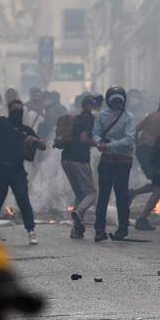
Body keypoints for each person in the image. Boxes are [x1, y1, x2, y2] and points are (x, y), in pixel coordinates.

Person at [0, 98, 44, 245]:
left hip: (17, 171)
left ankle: (31, 231)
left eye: (20, 110)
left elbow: (43, 145)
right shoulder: (2, 123)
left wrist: (35, 141)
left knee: (23, 199)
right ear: (10, 110)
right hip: (0, 170)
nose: (18, 112)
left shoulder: (27, 130)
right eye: (15, 110)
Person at [92, 86, 136, 242]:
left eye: (119, 100)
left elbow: (129, 139)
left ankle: (122, 229)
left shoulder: (129, 117)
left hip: (122, 161)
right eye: (114, 100)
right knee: (103, 195)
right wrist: (99, 143)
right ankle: (99, 229)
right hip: (107, 161)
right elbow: (96, 134)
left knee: (121, 196)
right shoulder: (102, 116)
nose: (117, 103)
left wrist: (109, 146)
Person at [132, 90, 160, 231]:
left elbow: (134, 130)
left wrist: (138, 144)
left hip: (141, 150)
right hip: (153, 152)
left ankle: (133, 194)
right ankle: (142, 218)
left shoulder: (151, 115)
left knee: (158, 183)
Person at [60, 93, 101, 239]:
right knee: (91, 193)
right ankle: (80, 212)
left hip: (66, 158)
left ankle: (76, 229)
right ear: (90, 106)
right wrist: (97, 144)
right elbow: (84, 139)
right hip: (79, 158)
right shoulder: (88, 119)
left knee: (79, 194)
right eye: (97, 105)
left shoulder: (76, 118)